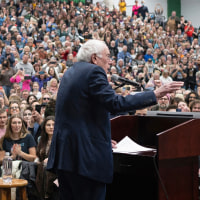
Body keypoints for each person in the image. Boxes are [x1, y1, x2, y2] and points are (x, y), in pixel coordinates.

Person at [46, 39, 183, 200]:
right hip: (85, 161)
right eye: (107, 56)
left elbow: (80, 115)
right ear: (94, 58)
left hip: (68, 158)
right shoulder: (93, 72)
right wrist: (154, 94)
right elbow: (115, 103)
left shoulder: (71, 72)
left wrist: (99, 139)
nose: (110, 61)